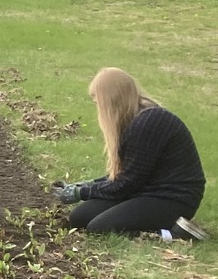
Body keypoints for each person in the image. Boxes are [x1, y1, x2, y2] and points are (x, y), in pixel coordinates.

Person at [55, 68, 208, 239]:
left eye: (98, 103)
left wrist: (80, 192)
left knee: (100, 228)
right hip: (146, 190)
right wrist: (83, 185)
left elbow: (126, 184)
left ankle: (176, 235)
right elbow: (127, 175)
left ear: (110, 101)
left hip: (172, 198)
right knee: (79, 217)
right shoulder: (135, 119)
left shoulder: (148, 122)